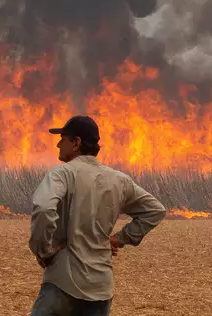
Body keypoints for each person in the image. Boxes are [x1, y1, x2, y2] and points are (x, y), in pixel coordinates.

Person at [28, 115, 167, 316]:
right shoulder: (119, 180)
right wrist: (119, 239)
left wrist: (42, 250)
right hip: (101, 288)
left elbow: (43, 208)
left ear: (76, 143)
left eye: (63, 138)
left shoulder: (62, 174)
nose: (58, 144)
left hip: (62, 284)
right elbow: (155, 210)